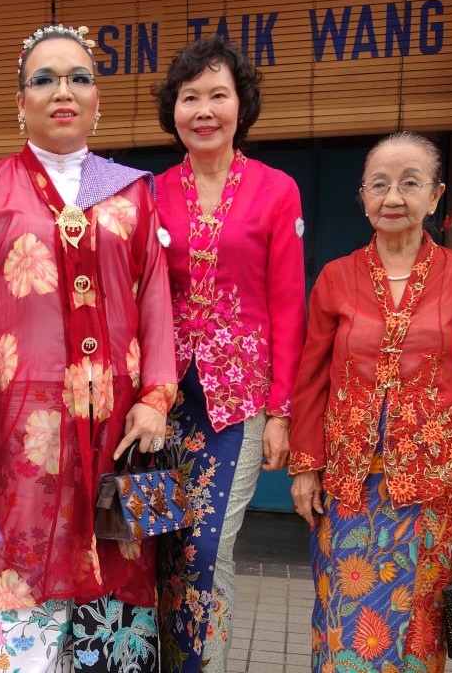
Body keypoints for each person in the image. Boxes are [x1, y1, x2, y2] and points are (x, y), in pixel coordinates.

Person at [0, 24, 176, 673]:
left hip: (119, 437)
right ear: (20, 102)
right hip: (27, 438)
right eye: (44, 79)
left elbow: (156, 300)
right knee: (25, 586)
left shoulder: (131, 192)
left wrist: (155, 397)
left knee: (120, 585)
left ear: (98, 101)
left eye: (78, 78)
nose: (61, 91)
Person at [289, 131, 452, 673]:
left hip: (429, 489)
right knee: (342, 619)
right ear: (362, 197)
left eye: (409, 184)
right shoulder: (336, 278)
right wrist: (305, 467)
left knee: (417, 626)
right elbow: (312, 379)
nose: (393, 197)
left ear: (435, 197)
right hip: (347, 488)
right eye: (379, 184)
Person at [152, 35, 307, 672]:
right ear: (175, 111)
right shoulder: (150, 192)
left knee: (209, 548)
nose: (205, 109)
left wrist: (282, 411)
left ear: (241, 106)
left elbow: (289, 305)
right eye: (191, 97)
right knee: (162, 544)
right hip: (159, 402)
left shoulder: (276, 190)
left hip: (236, 402)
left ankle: (203, 664)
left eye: (219, 94)